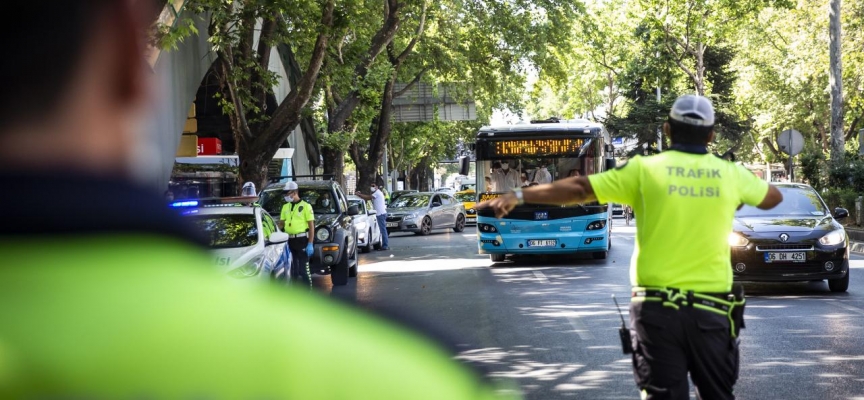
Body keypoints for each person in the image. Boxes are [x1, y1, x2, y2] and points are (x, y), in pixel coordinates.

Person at [0, 2, 515, 398]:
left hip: (297, 243)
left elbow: (306, 224)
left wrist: (307, 234)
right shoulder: (398, 375)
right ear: (127, 64)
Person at [477, 94, 783, 400]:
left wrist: (519, 195)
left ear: (667, 129)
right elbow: (772, 197)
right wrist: (734, 192)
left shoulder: (644, 170)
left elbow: (582, 188)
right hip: (712, 310)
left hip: (656, 312)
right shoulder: (728, 174)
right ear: (711, 135)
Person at [278, 182, 314, 289]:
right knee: (292, 269)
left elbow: (311, 226)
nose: (285, 196)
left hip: (302, 240)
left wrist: (310, 243)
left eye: (287, 193)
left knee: (304, 270)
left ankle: (308, 291)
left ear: (294, 192)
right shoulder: (285, 207)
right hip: (289, 240)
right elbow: (281, 224)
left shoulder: (306, 206)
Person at [355, 182, 390, 251]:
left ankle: (385, 246)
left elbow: (368, 197)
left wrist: (359, 195)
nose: (372, 187)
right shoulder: (377, 193)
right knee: (383, 230)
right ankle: (385, 245)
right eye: (371, 186)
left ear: (376, 186)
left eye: (373, 186)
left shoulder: (377, 193)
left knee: (383, 230)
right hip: (381, 213)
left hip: (380, 214)